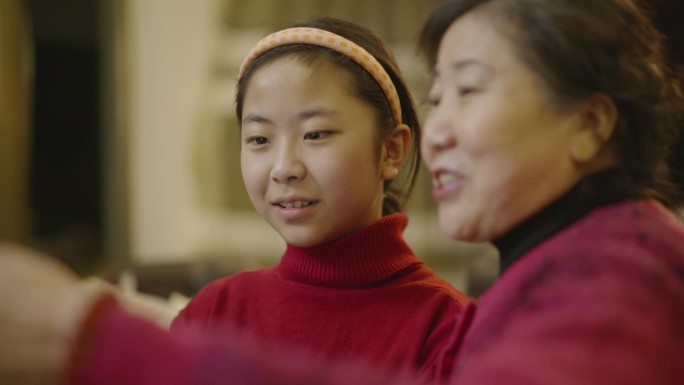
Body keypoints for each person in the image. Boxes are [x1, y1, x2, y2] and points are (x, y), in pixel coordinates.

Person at [1, 0, 684, 384]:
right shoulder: (547, 271)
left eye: (468, 91)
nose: (440, 126)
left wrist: (89, 335)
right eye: (437, 96)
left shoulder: (625, 270)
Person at [169, 16, 467, 382]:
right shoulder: (215, 313)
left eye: (316, 134)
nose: (284, 168)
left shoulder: (446, 327)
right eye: (260, 139)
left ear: (391, 150)